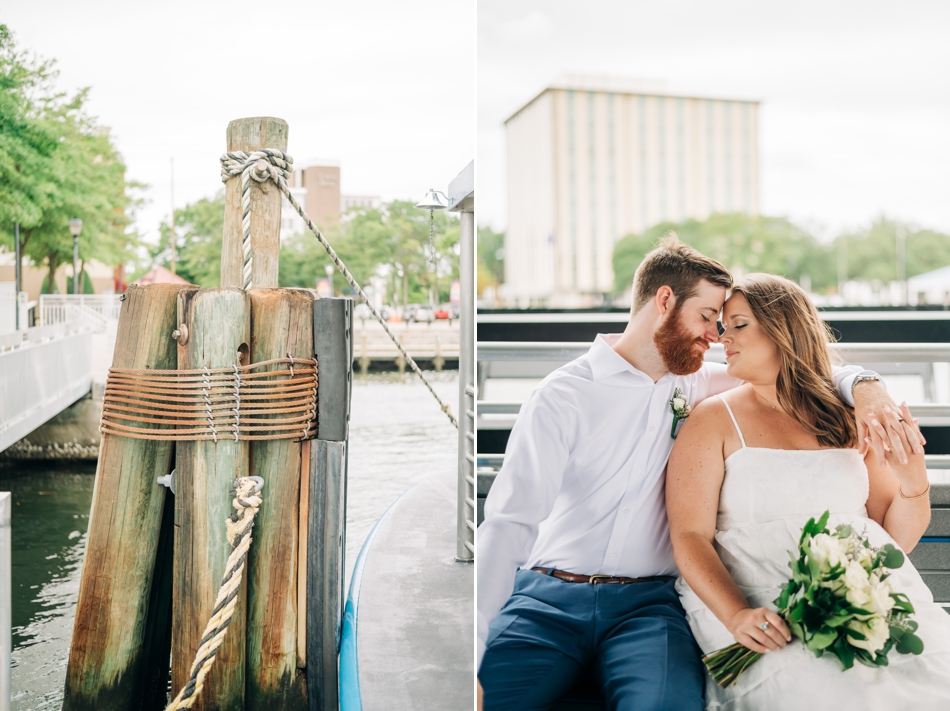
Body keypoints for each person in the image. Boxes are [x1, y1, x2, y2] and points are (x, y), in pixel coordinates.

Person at [477, 236, 914, 710]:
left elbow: (799, 363)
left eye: (723, 324)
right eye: (708, 317)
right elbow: (509, 523)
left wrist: (867, 387)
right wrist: (474, 650)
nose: (715, 336)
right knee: (490, 696)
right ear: (664, 300)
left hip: (647, 607)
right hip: (549, 596)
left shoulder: (700, 380)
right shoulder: (563, 397)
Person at [667, 273, 950, 710]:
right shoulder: (713, 419)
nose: (724, 338)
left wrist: (914, 481)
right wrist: (737, 614)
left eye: (738, 324)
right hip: (756, 609)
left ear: (784, 330)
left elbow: (894, 543)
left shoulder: (846, 418)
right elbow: (689, 536)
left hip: (858, 602)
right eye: (722, 327)